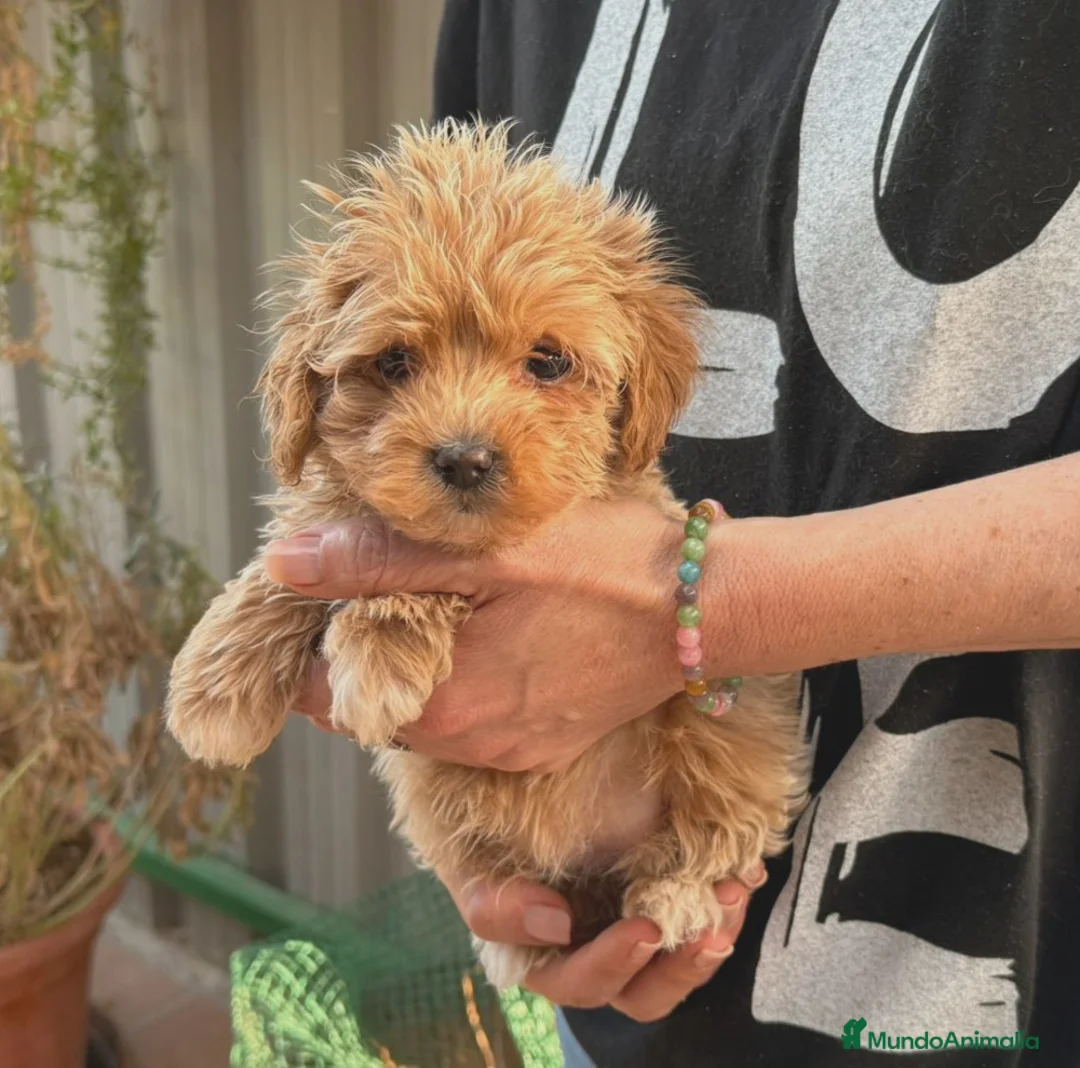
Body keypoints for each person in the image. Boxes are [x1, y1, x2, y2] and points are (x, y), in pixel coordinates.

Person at [265, 2, 1080, 1064]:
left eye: (547, 363)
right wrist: (496, 813)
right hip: (611, 1005)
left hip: (1005, 983)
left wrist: (700, 601)